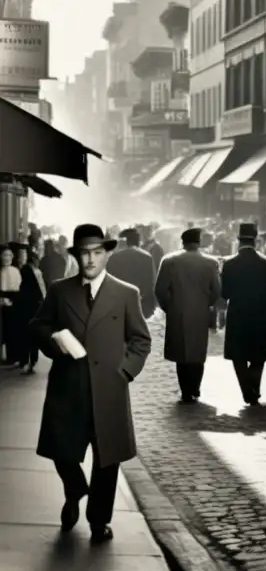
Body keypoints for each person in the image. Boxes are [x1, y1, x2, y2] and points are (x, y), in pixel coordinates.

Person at [31, 223, 151, 543]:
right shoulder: (60, 290)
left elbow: (140, 340)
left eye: (96, 252)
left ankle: (99, 521)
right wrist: (55, 339)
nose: (90, 260)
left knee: (106, 459)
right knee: (62, 451)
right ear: (76, 255)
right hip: (68, 387)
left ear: (107, 254)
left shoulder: (126, 293)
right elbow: (38, 325)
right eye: (84, 253)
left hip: (109, 389)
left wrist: (125, 372)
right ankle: (74, 490)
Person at [155, 228, 222, 404]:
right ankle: (195, 387)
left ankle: (185, 390)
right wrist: (206, 304)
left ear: (182, 242)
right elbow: (216, 290)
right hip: (200, 312)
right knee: (198, 351)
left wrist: (169, 307)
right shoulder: (210, 262)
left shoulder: (169, 261)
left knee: (181, 353)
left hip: (177, 311)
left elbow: (160, 290)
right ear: (198, 243)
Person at [221, 222, 266, 406]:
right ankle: (254, 387)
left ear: (238, 241)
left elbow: (225, 293)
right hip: (260, 314)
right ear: (256, 241)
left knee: (238, 355)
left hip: (237, 314)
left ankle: (247, 389)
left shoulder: (229, 264)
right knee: (258, 355)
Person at [106, 227, 157, 319]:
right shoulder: (147, 257)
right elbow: (151, 283)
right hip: (141, 304)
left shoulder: (114, 257)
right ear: (138, 241)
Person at [16, 246, 46, 373]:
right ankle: (31, 360)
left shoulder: (27, 270)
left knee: (26, 334)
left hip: (28, 307)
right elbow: (40, 289)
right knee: (32, 335)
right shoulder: (32, 270)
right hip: (33, 307)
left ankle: (27, 360)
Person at [0, 243, 22, 367]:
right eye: (4, 255)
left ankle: (13, 356)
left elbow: (18, 289)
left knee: (12, 331)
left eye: (9, 255)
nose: (7, 258)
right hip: (2, 303)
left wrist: (11, 300)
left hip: (13, 303)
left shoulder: (15, 271)